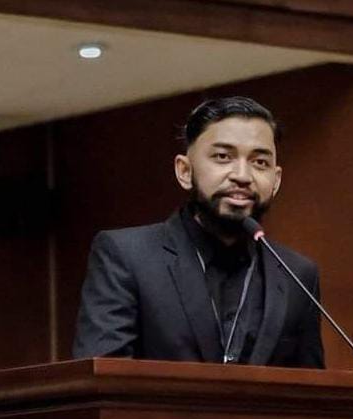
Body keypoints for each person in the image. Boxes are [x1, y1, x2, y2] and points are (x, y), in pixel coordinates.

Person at [72, 96, 324, 368]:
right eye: (223, 157)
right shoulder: (127, 256)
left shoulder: (297, 274)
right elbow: (103, 377)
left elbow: (309, 388)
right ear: (184, 170)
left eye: (260, 162)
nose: (242, 175)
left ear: (276, 180)